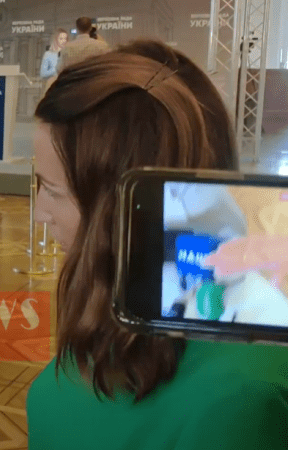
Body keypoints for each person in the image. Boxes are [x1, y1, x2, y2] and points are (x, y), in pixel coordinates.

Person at [26, 40, 288, 449]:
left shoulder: (239, 403)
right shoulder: (113, 311)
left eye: (54, 191)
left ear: (119, 209)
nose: (40, 213)